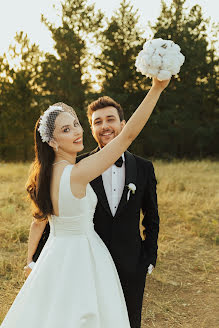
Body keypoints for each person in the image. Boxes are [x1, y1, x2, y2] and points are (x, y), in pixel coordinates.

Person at [1, 77, 170, 328]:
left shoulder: (45, 174)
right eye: (66, 130)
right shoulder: (77, 173)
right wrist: (157, 88)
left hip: (54, 256)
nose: (78, 132)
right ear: (53, 141)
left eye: (76, 124)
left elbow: (38, 223)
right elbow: (127, 136)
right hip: (84, 256)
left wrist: (30, 262)